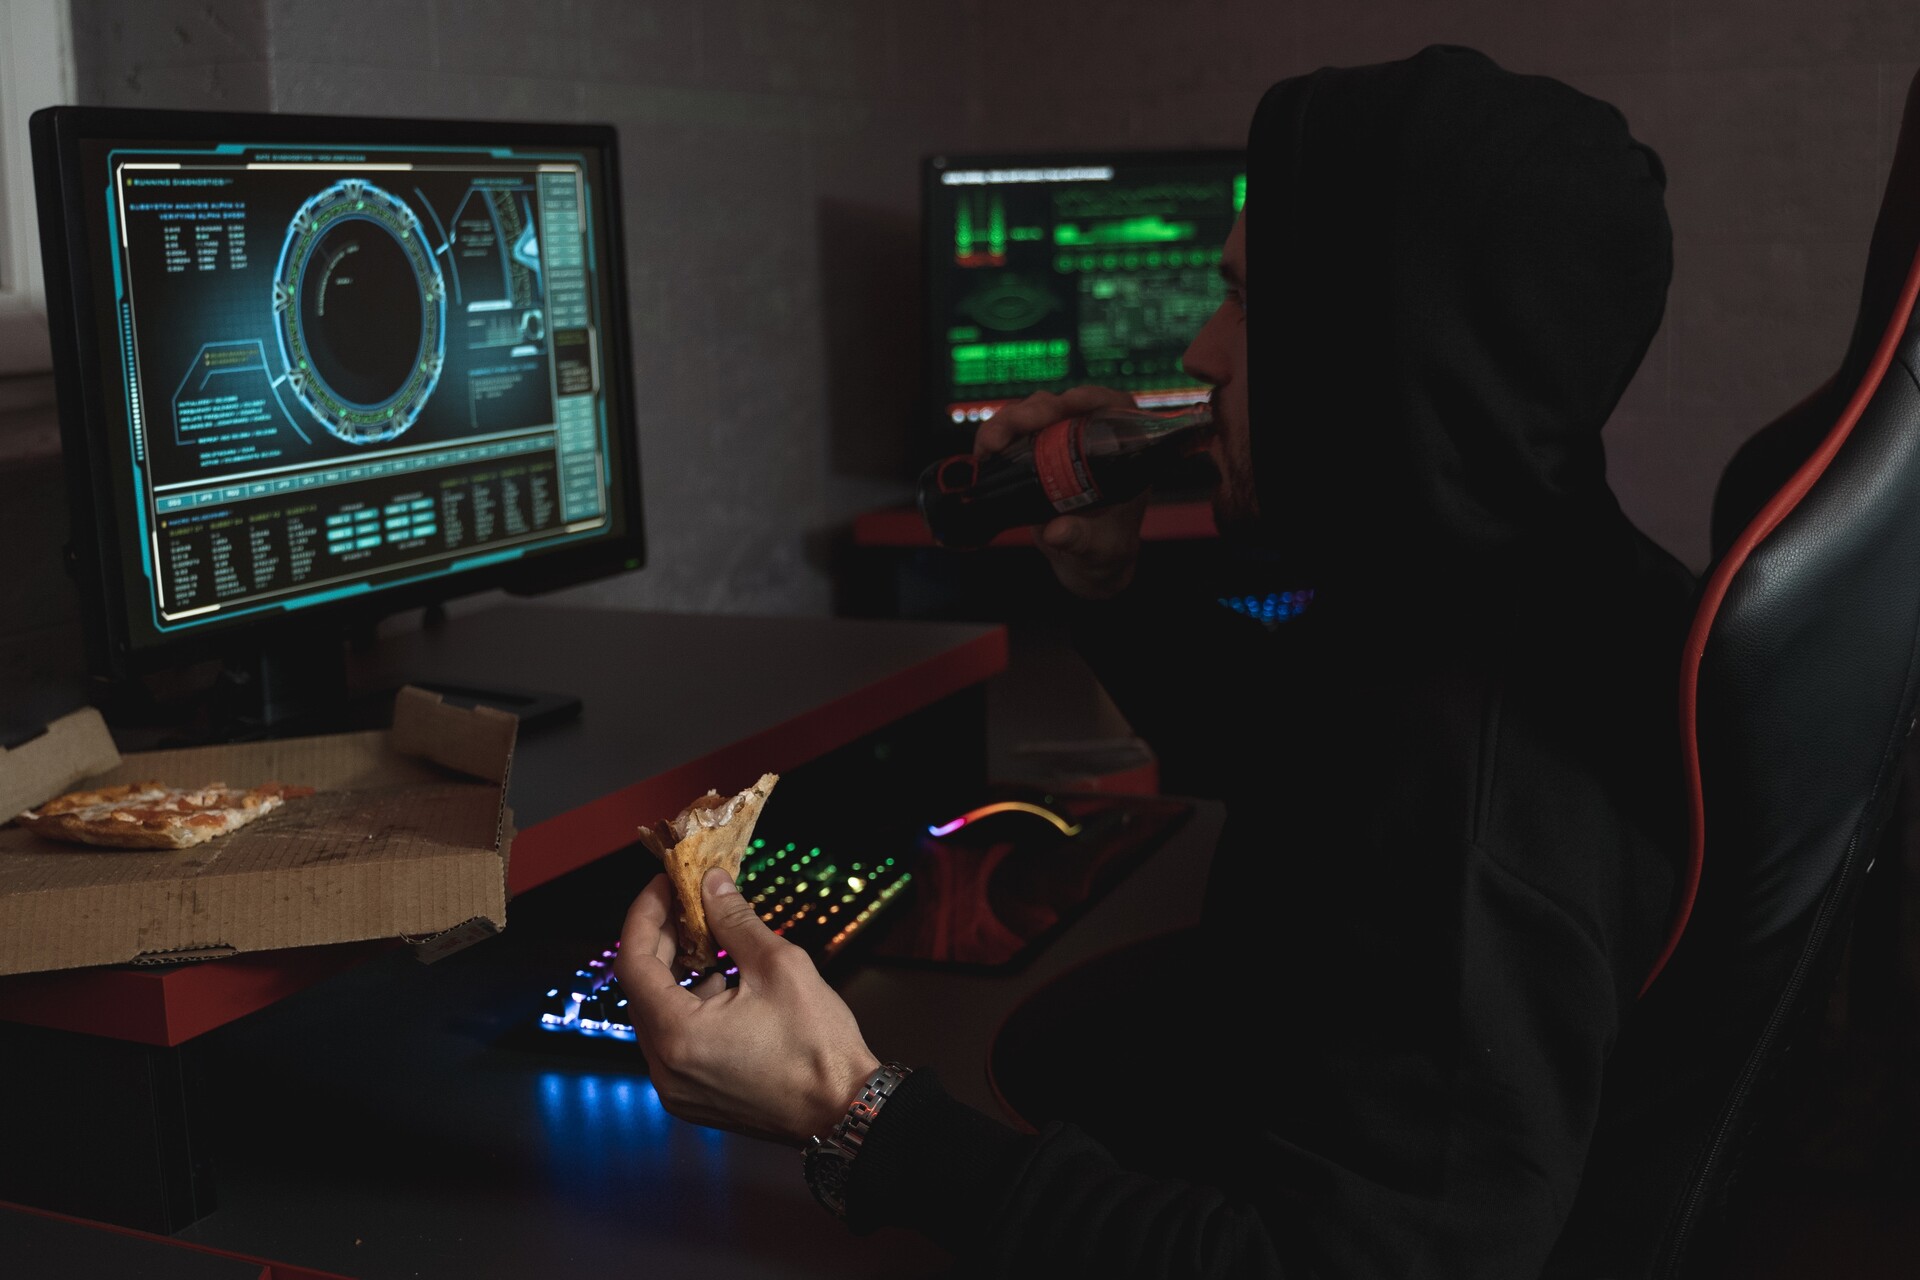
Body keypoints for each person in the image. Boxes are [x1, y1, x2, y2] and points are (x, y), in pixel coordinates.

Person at [615, 44, 1695, 1277]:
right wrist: (1109, 582)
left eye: (1242, 301)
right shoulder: (1520, 583)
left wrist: (850, 1108)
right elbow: (1308, 748)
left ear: (1370, 343)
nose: (1198, 350)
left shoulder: (1475, 807)